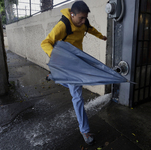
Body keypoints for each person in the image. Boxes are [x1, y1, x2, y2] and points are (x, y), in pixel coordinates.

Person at [41, 1, 107, 145]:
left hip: (76, 61)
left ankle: (54, 76)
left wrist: (101, 36)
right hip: (66, 63)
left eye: (85, 18)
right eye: (81, 18)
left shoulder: (84, 22)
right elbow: (45, 42)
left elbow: (90, 29)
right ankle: (84, 130)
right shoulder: (63, 25)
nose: (83, 22)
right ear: (72, 14)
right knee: (77, 96)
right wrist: (57, 58)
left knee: (75, 85)